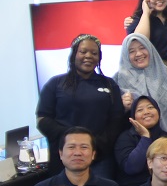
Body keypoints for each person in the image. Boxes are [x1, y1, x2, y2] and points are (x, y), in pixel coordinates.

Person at [37, 34, 126, 178]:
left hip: (99, 157)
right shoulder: (56, 83)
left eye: (94, 53)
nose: (88, 56)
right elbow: (43, 119)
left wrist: (96, 144)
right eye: (83, 51)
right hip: (64, 158)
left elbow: (117, 119)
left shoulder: (109, 85)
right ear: (74, 55)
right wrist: (72, 139)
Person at [114, 33, 167, 133]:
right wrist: (123, 108)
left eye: (142, 48)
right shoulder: (117, 80)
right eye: (131, 51)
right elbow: (112, 120)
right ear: (125, 55)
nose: (138, 54)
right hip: (133, 137)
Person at [115, 96, 167, 186]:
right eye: (140, 110)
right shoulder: (126, 137)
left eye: (150, 107)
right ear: (133, 117)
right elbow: (132, 168)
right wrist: (145, 137)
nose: (146, 112)